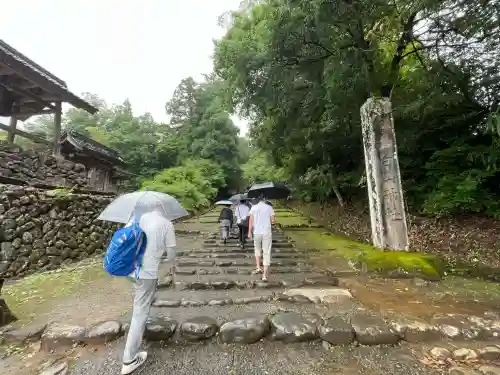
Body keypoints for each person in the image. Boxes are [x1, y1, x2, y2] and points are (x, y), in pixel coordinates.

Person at [121, 203, 176, 375]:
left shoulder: (138, 218)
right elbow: (172, 254)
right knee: (140, 313)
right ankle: (129, 359)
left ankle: (133, 346)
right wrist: (166, 262)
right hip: (147, 273)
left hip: (130, 269)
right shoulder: (166, 223)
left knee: (140, 302)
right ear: (164, 209)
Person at [247, 195, 276, 281]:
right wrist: (273, 221)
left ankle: (258, 267)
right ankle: (264, 275)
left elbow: (251, 221)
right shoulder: (269, 207)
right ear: (265, 199)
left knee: (257, 249)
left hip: (257, 232)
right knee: (266, 252)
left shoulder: (253, 208)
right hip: (266, 232)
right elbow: (273, 221)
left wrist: (249, 232)